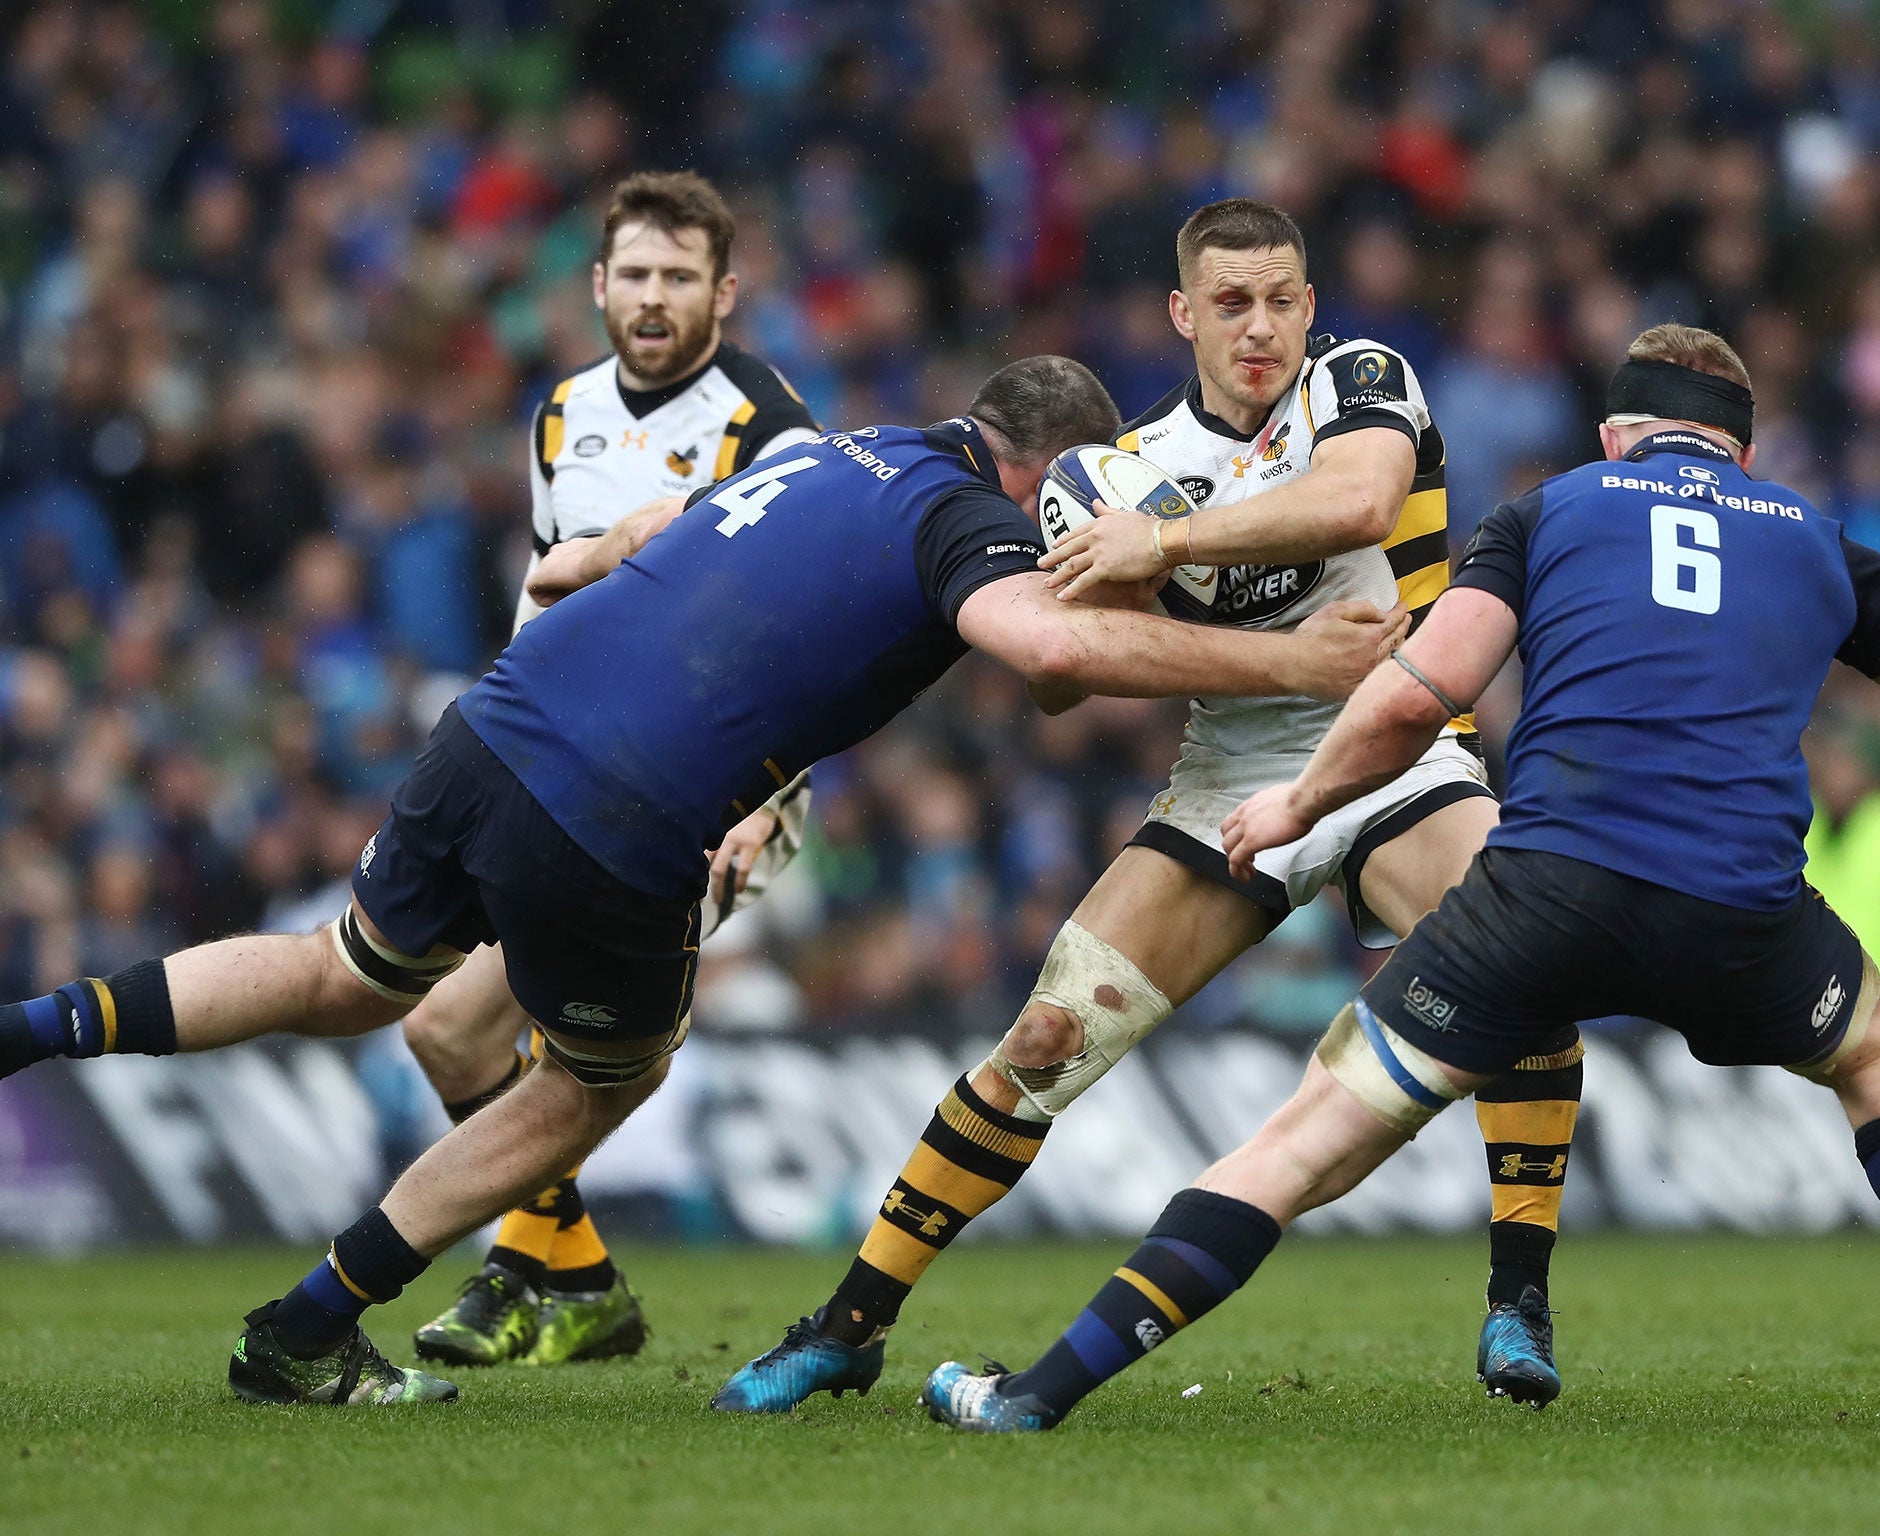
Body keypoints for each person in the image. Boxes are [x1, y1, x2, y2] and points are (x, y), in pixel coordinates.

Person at [0, 355, 1405, 1406]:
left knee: (345, 969)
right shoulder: (970, 522)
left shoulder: (826, 448)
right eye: (1082, 514)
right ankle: (307, 1328)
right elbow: (1048, 653)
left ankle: (30, 1028)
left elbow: (635, 555)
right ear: (1053, 477)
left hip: (497, 721)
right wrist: (1295, 662)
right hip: (621, 812)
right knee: (596, 1081)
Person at [919, 325, 1880, 1434]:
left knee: (1302, 1143)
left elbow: (1419, 694)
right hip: (1739, 908)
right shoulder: (1814, 539)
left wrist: (1296, 803)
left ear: (1616, 437)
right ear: (1741, 454)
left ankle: (1033, 1395)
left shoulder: (1553, 507)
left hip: (1547, 895)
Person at [713, 198, 1584, 1416]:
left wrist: (1163, 549)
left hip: (1397, 743)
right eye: (1230, 304)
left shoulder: (1359, 380)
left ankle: (1516, 1301)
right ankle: (851, 1322)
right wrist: (1114, 604)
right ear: (1181, 314)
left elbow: (1358, 508)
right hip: (1231, 771)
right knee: (1041, 1043)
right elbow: (1061, 678)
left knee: (1530, 952)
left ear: (1311, 307)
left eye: (1281, 299)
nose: (1260, 327)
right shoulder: (1101, 477)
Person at [403, 170, 822, 1371]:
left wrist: (768, 802)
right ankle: (579, 1280)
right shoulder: (561, 414)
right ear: (595, 286)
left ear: (723, 293)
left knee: (548, 1026)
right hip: (561, 767)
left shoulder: (766, 425)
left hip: (716, 785)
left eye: (677, 277)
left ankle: (510, 1275)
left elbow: (798, 633)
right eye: (632, 274)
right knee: (446, 1040)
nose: (650, 298)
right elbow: (549, 596)